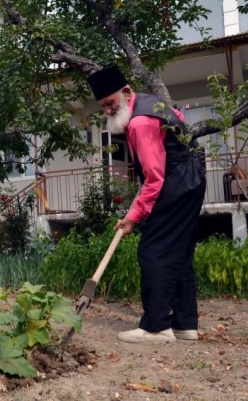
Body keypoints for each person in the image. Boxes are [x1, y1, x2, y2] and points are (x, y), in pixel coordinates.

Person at [87, 64, 206, 343]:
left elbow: (154, 178)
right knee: (179, 254)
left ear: (126, 92)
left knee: (155, 251)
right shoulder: (153, 103)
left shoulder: (140, 123)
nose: (107, 110)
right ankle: (185, 325)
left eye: (110, 103)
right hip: (192, 182)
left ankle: (156, 327)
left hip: (175, 185)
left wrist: (132, 217)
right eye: (102, 106)